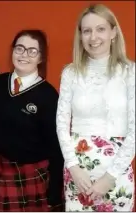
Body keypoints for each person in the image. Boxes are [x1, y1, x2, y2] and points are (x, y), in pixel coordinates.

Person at [56, 4, 135, 212]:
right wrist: (73, 167)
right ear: (80, 36)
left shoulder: (130, 72)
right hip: (78, 173)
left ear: (113, 33)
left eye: (100, 29)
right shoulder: (70, 73)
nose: (93, 37)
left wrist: (109, 178)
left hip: (116, 173)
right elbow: (61, 124)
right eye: (87, 31)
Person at [0, 29, 64, 212]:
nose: (24, 55)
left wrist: (55, 191)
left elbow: (56, 146)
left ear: (40, 58)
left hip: (32, 175)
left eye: (32, 51)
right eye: (20, 48)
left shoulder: (48, 95)